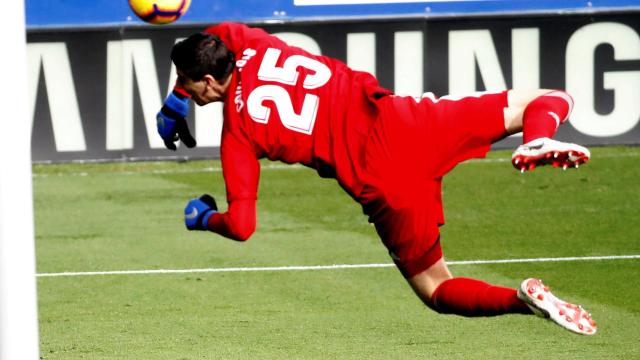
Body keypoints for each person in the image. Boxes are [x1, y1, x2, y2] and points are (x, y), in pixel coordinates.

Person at [156, 22, 597, 335]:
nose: (184, 88)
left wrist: (204, 218)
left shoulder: (237, 134)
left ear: (210, 81)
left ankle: (519, 299)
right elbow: (224, 31)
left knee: (435, 287)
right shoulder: (253, 43)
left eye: (185, 82)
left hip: (383, 182)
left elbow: (243, 226)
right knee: (547, 98)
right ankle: (536, 139)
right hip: (408, 123)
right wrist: (177, 98)